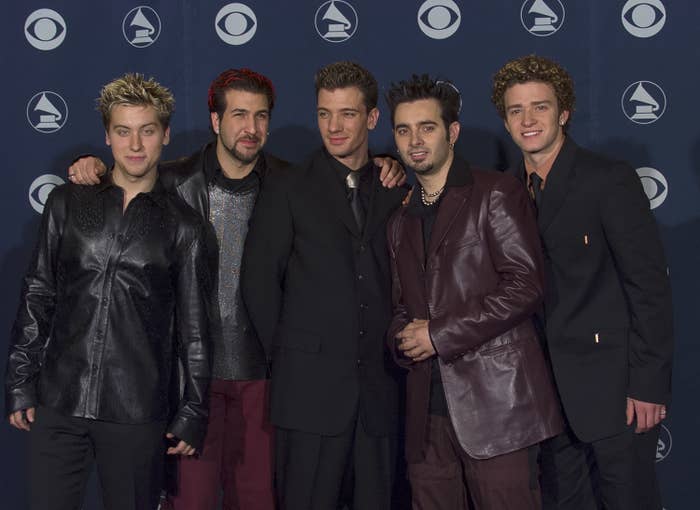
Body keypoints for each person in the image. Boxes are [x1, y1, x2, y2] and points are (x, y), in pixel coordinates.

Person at [67, 68, 404, 510]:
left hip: (262, 380)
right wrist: (93, 169)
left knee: (260, 499)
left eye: (261, 116)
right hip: (190, 380)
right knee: (192, 500)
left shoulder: (291, 182)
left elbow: (348, 187)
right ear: (215, 121)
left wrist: (387, 163)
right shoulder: (170, 180)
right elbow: (125, 180)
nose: (251, 128)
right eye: (239, 115)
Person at [5, 73, 211, 510]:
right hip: (60, 402)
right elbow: (39, 292)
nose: (135, 144)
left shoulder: (185, 226)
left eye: (147, 130)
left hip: (137, 410)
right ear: (107, 135)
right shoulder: (67, 202)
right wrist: (21, 381)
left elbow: (194, 330)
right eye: (123, 131)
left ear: (165, 135)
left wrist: (193, 409)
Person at [491, 54, 674, 509]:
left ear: (564, 113)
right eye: (516, 110)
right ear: (506, 121)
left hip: (614, 391)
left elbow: (649, 288)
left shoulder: (607, 180)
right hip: (545, 398)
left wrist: (647, 385)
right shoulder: (505, 191)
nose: (528, 120)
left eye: (540, 107)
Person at [384, 74, 562, 509]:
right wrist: (401, 339)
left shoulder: (495, 193)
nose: (415, 140)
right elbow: (402, 306)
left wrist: (438, 335)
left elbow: (525, 285)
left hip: (499, 411)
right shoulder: (399, 220)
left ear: (453, 132)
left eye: (427, 127)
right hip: (425, 421)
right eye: (404, 130)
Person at [241, 61, 408, 510]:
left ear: (372, 118)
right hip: (308, 396)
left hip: (380, 392)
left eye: (347, 114)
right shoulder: (287, 188)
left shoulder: (396, 185)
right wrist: (294, 355)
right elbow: (259, 282)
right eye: (323, 114)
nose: (333, 127)